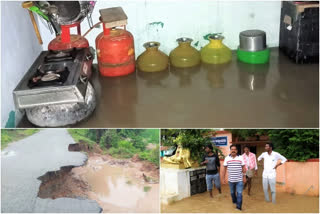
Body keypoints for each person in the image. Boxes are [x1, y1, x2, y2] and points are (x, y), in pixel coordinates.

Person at [223, 145, 246, 211]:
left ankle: (238, 207)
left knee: (239, 193)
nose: (233, 150)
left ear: (237, 151)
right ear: (230, 151)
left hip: (239, 180)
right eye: (232, 149)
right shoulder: (227, 158)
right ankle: (235, 201)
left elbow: (243, 167)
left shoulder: (240, 157)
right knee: (232, 193)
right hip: (231, 180)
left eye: (235, 149)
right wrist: (224, 178)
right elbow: (224, 169)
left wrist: (244, 176)